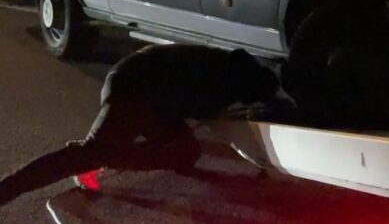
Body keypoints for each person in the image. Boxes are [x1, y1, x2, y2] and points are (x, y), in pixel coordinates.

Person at [0, 44, 279, 208]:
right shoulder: (221, 85)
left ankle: (104, 155)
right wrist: (261, 158)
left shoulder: (227, 65)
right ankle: (9, 189)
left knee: (187, 152)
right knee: (89, 153)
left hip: (155, 96)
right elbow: (217, 122)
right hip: (133, 88)